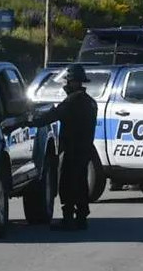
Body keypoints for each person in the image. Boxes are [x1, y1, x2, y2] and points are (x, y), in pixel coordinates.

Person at [22, 64, 99, 230]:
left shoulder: (72, 102)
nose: (66, 84)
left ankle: (69, 218)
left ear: (72, 82)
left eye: (68, 81)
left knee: (67, 183)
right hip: (85, 148)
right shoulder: (90, 102)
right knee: (81, 183)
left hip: (72, 149)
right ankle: (81, 217)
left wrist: (29, 122)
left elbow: (52, 116)